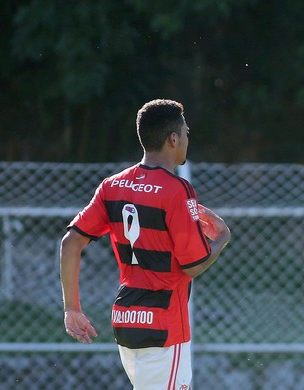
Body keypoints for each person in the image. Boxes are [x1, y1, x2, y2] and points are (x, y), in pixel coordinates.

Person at [60, 99, 231, 389]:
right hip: (164, 327)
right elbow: (194, 265)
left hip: (126, 319)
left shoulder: (112, 186)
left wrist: (72, 309)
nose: (188, 139)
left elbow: (70, 243)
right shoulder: (176, 190)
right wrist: (222, 238)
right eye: (186, 133)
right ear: (173, 138)